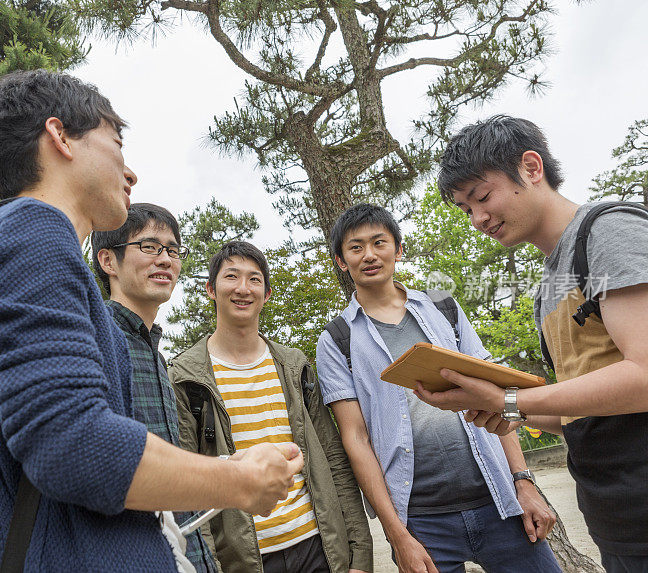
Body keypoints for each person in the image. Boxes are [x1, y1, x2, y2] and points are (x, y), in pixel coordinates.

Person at [0, 70, 303, 572]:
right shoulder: (34, 231)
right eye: (116, 143)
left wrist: (218, 469)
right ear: (59, 136)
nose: (130, 173)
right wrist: (240, 483)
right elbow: (71, 442)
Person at [418, 115, 648, 572]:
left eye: (482, 197)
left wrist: (510, 398)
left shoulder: (607, 232)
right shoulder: (547, 286)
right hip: (618, 525)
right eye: (466, 209)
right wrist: (501, 409)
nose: (478, 218)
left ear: (531, 167)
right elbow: (582, 415)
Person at [315, 203, 561, 573]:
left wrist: (523, 482)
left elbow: (493, 388)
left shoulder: (441, 306)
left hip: (498, 500)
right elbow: (356, 439)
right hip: (420, 518)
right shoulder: (337, 339)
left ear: (398, 250)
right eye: (355, 247)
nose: (369, 255)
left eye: (379, 242)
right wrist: (398, 536)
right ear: (340, 260)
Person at [169, 241, 373, 573]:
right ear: (210, 288)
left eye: (254, 279)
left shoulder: (294, 366)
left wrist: (360, 554)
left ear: (266, 294)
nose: (242, 288)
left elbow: (333, 458)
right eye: (231, 276)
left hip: (317, 548)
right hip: (247, 560)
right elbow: (186, 488)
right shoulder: (185, 378)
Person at [91, 203, 218, 572]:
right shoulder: (95, 341)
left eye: (173, 250)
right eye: (148, 246)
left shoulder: (157, 355)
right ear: (108, 261)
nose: (164, 259)